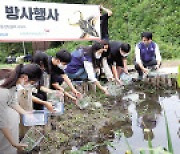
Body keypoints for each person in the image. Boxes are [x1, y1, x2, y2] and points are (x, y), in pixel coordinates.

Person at [0, 64, 43, 154]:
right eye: (31, 83)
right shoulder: (3, 91)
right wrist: (14, 143)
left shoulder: (12, 84)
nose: (30, 86)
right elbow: (2, 122)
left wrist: (26, 113)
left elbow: (13, 102)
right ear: (25, 78)